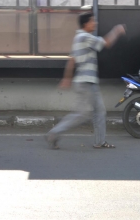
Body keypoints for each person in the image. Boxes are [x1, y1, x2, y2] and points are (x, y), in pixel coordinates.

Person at [45, 12, 126, 150]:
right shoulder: (84, 37)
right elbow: (106, 42)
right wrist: (116, 30)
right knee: (82, 114)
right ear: (85, 24)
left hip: (87, 81)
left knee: (99, 112)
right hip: (86, 82)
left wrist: (67, 78)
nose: (95, 23)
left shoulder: (78, 38)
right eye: (92, 21)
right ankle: (54, 133)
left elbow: (72, 60)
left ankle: (100, 142)